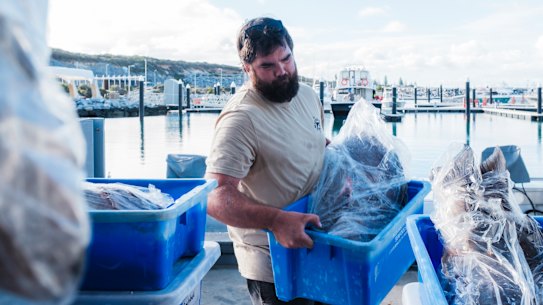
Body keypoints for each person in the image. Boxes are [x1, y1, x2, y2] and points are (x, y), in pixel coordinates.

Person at [205, 17, 327, 305]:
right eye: (268, 66)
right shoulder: (240, 119)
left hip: (318, 247)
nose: (282, 71)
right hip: (273, 264)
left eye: (286, 59)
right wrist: (276, 220)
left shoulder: (307, 96)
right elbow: (214, 196)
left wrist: (342, 172)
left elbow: (316, 144)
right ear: (247, 69)